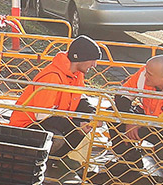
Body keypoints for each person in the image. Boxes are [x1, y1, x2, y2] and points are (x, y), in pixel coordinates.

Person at [8, 35, 101, 170]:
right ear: (80, 58)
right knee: (58, 137)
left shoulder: (77, 74)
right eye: (92, 60)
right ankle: (29, 164)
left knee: (81, 129)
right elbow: (42, 116)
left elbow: (79, 98)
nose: (94, 65)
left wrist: (92, 115)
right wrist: (76, 125)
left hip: (48, 123)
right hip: (25, 128)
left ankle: (51, 162)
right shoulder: (52, 77)